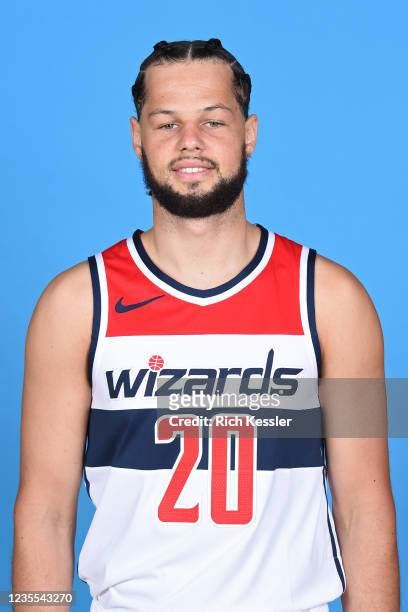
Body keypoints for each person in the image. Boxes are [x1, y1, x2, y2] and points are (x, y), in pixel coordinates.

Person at [13, 38, 399, 611]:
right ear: (136, 136)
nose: (189, 141)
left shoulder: (335, 301)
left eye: (213, 120)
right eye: (166, 123)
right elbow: (43, 511)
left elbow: (365, 508)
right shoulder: (72, 306)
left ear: (250, 132)